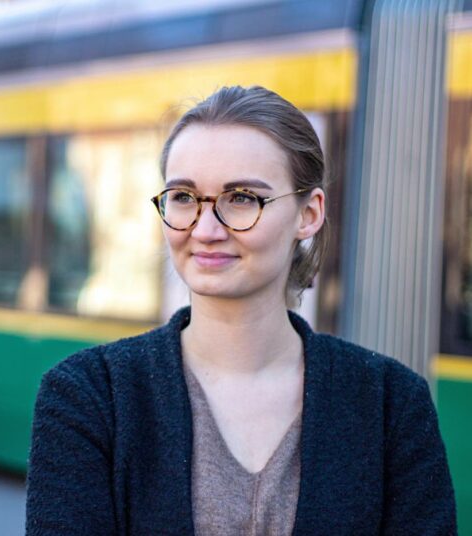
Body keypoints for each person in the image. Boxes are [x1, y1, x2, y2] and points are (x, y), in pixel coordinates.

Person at [25, 85, 456, 535]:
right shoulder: (89, 396)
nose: (206, 229)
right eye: (184, 198)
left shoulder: (391, 404)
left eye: (243, 198)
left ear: (309, 213)